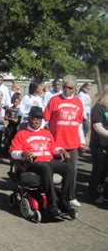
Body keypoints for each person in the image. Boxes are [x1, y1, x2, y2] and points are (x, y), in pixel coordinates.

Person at [10, 106, 77, 218]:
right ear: (29, 118)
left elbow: (53, 148)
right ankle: (52, 203)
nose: (37, 121)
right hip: (32, 163)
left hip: (48, 160)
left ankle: (65, 200)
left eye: (39, 119)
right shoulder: (21, 134)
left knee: (69, 168)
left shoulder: (46, 133)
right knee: (46, 168)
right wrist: (23, 154)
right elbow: (13, 152)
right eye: (34, 118)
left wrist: (61, 150)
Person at [44, 75, 86, 208]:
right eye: (65, 87)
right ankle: (53, 196)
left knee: (72, 171)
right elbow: (45, 120)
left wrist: (82, 141)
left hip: (73, 143)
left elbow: (79, 124)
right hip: (57, 143)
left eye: (70, 88)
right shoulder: (54, 100)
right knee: (55, 171)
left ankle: (70, 196)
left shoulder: (79, 102)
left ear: (75, 88)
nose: (67, 90)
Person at [88, 86, 108, 203]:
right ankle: (93, 194)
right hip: (98, 145)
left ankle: (104, 193)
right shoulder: (98, 108)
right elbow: (98, 127)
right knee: (98, 170)